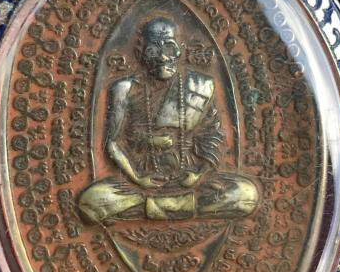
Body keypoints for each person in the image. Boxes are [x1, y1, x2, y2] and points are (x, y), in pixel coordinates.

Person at [79, 17, 259, 223]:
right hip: (141, 182)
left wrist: (199, 174)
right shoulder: (124, 89)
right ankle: (178, 207)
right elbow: (113, 143)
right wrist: (138, 178)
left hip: (188, 180)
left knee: (246, 194)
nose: (163, 57)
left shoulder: (200, 86)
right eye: (153, 50)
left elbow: (213, 137)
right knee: (91, 202)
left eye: (170, 48)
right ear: (140, 53)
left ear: (180, 51)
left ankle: (152, 208)